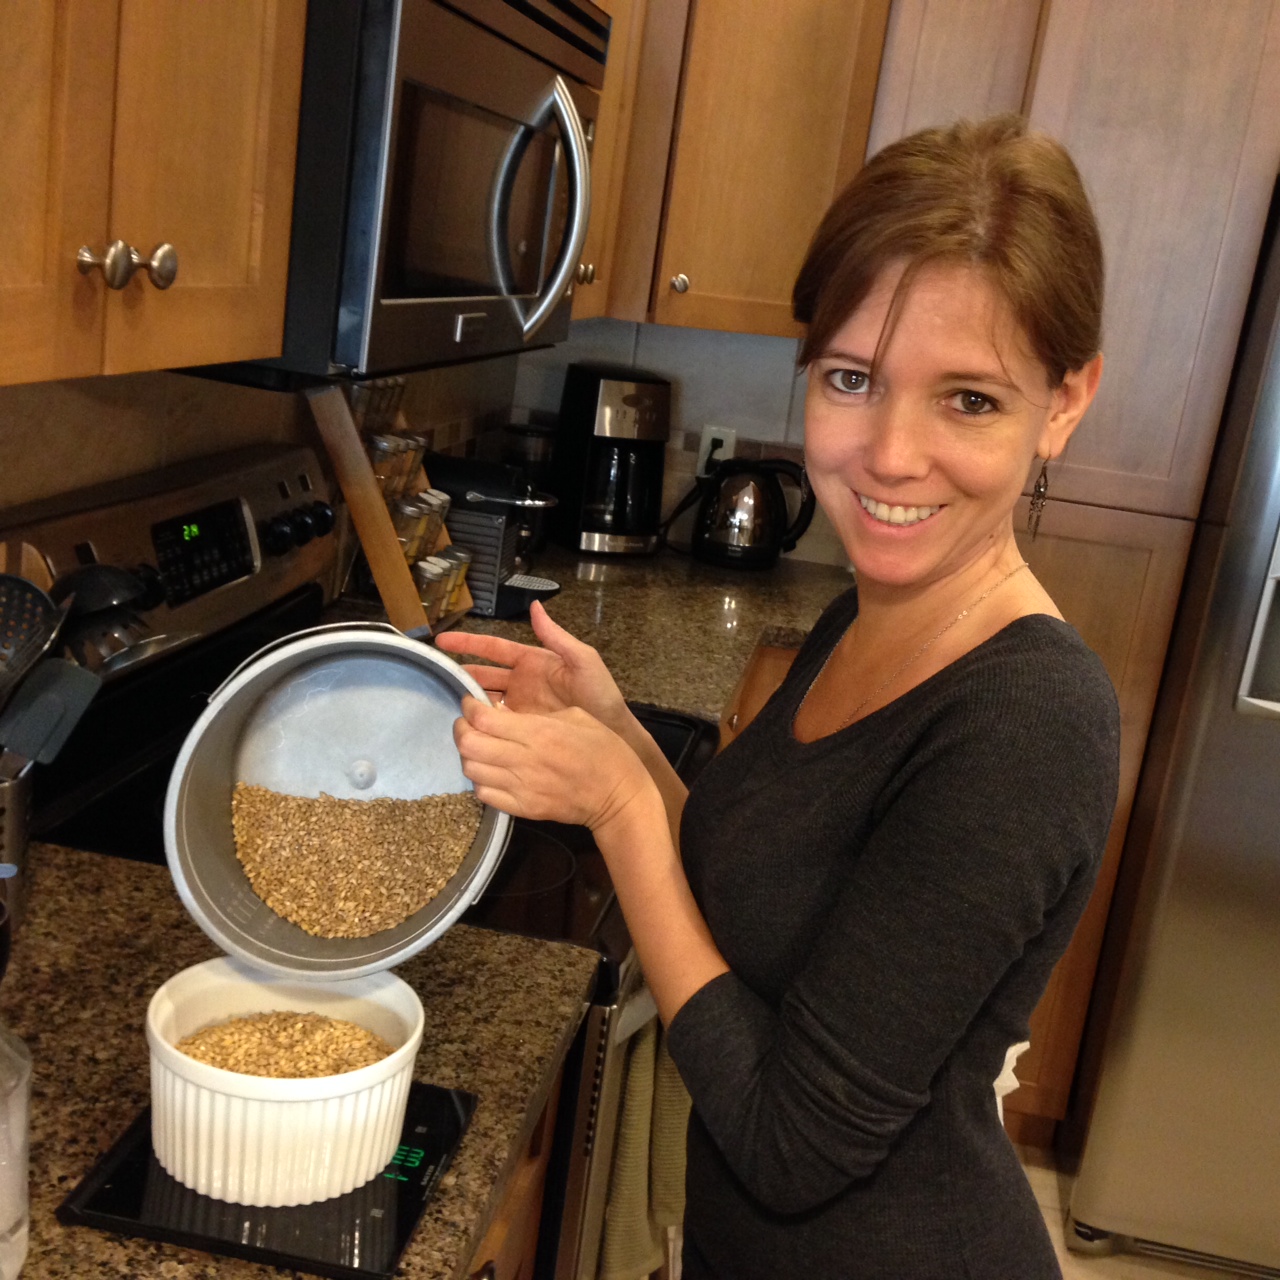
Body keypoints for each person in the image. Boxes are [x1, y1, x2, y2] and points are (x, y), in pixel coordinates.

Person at [437, 114, 1121, 1279]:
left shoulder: (1029, 723)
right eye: (852, 379)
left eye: (967, 399)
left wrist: (616, 808)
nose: (889, 456)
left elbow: (789, 1139)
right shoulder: (872, 610)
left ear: (1063, 402)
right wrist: (614, 732)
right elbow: (743, 893)